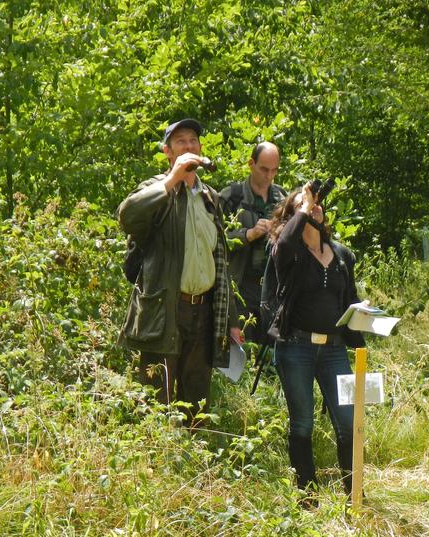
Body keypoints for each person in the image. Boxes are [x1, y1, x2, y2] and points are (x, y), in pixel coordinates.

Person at [117, 118, 242, 427]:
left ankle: (197, 471)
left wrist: (232, 321)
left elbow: (220, 263)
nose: (189, 146)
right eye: (181, 142)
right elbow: (127, 217)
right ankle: (156, 468)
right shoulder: (156, 189)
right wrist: (172, 179)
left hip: (204, 314)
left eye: (193, 141)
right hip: (165, 311)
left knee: (197, 404)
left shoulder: (209, 198)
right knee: (156, 403)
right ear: (168, 152)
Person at [267, 182, 365, 500]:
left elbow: (351, 302)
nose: (313, 208)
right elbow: (282, 244)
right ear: (293, 217)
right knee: (303, 424)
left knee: (349, 423)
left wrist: (368, 323)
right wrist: (304, 207)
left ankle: (355, 494)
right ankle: (307, 496)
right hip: (296, 348)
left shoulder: (341, 256)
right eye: (304, 205)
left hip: (335, 350)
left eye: (316, 204)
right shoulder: (289, 254)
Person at [220, 142, 286, 343]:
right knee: (241, 354)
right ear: (251, 163)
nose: (269, 176)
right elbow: (213, 241)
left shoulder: (282, 198)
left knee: (269, 361)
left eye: (274, 170)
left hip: (272, 292)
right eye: (264, 169)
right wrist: (248, 234)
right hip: (239, 291)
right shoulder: (232, 196)